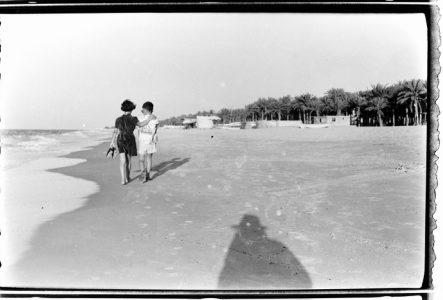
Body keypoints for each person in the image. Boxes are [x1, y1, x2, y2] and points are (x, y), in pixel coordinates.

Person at [110, 100, 139, 185]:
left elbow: (115, 132)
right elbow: (141, 125)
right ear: (132, 109)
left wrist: (112, 142)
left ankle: (123, 180)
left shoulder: (118, 119)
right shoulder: (134, 119)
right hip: (130, 139)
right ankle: (128, 177)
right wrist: (149, 119)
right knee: (128, 159)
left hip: (120, 139)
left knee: (122, 160)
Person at [137, 101, 159, 183]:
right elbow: (156, 130)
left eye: (142, 110)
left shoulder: (140, 118)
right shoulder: (155, 118)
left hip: (143, 140)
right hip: (151, 140)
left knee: (141, 159)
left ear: (146, 109)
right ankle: (148, 175)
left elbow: (139, 126)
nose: (142, 111)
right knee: (149, 158)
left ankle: (143, 177)